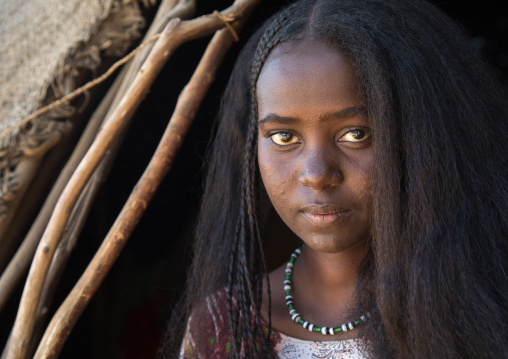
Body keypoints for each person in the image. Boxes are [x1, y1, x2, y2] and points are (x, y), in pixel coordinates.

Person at [161, 0, 508, 358]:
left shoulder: (490, 310)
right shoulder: (221, 331)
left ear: (423, 136)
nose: (316, 175)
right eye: (283, 137)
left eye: (356, 134)